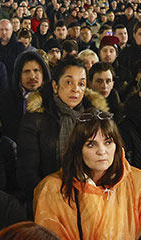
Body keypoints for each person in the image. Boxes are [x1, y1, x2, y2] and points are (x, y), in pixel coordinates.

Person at [34, 113, 141, 240]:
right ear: (77, 149)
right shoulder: (53, 189)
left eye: (108, 142)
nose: (102, 151)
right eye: (91, 144)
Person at [18, 55, 107, 200]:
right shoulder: (36, 119)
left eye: (81, 84)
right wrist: (53, 199)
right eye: (69, 82)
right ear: (55, 86)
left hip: (92, 198)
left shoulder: (96, 118)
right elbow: (27, 173)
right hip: (48, 198)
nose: (75, 89)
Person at [0, 50, 50, 142]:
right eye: (26, 71)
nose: (32, 76)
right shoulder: (3, 102)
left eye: (36, 70)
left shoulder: (52, 100)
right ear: (19, 75)